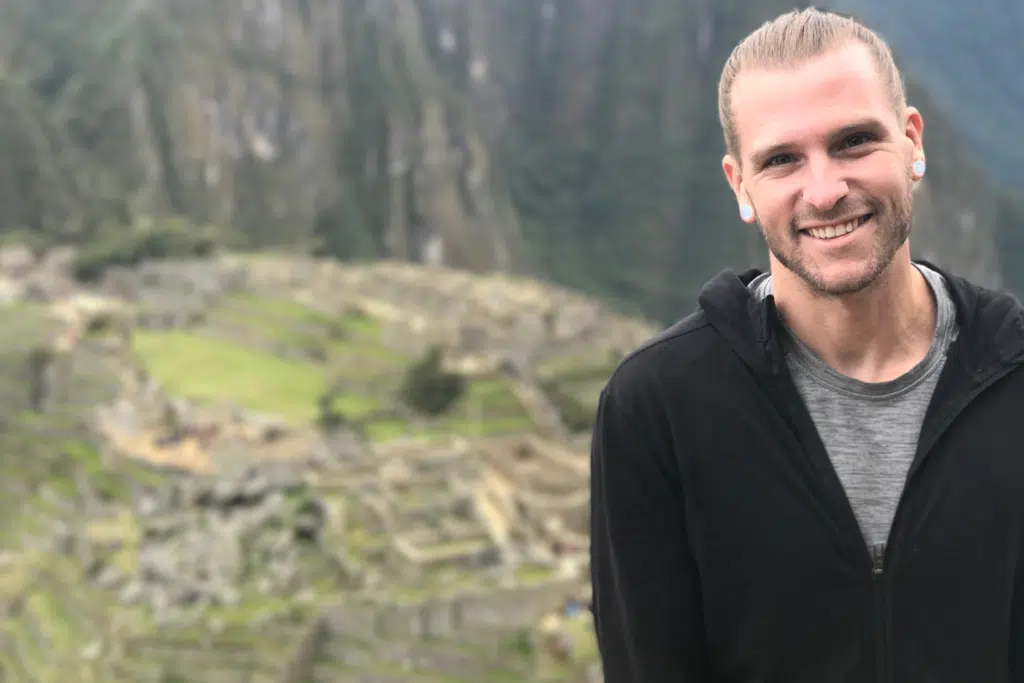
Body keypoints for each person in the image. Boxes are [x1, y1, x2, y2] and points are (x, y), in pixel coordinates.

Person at [589, 7, 1024, 683]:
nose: (824, 190)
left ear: (912, 142)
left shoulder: (1013, 376)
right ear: (740, 185)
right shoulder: (659, 410)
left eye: (853, 142)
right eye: (783, 159)